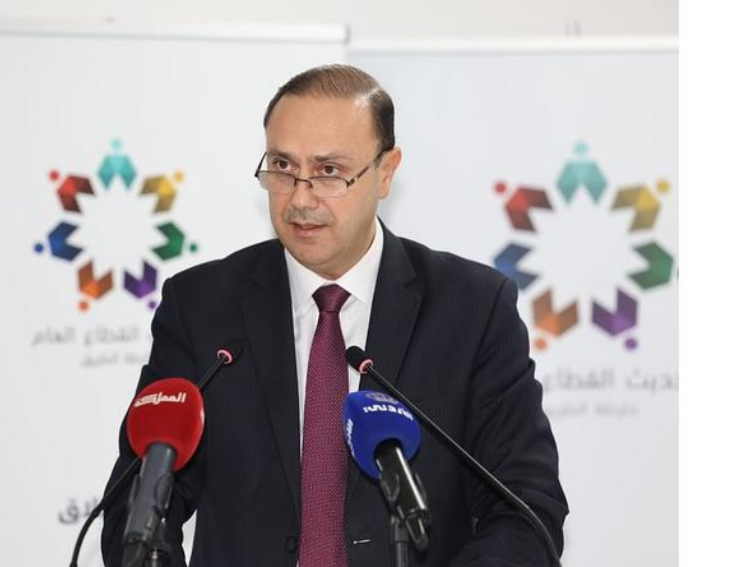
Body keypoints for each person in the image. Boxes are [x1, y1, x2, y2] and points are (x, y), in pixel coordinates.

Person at [101, 64, 568, 567]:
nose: (300, 198)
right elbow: (137, 507)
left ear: (386, 171)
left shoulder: (472, 309)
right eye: (282, 166)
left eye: (328, 171)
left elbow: (527, 510)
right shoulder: (201, 306)